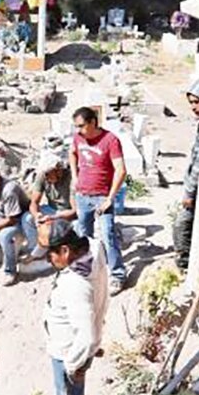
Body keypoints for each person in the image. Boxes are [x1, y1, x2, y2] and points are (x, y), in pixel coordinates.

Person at [39, 220, 108, 395]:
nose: (48, 259)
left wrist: (73, 364)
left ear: (66, 251)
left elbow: (86, 335)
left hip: (69, 351)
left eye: (51, 253)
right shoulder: (93, 250)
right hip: (76, 346)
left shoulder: (76, 284)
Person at [68, 107, 127, 295]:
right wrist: (75, 177)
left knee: (108, 236)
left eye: (81, 126)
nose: (78, 130)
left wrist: (110, 198)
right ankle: (85, 269)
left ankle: (117, 275)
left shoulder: (110, 141)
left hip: (102, 197)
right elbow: (72, 153)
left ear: (93, 122)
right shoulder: (78, 138)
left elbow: (121, 170)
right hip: (83, 196)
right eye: (76, 126)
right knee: (83, 235)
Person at [173, 77, 199, 270]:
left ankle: (185, 264)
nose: (193, 107)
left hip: (197, 192)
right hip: (195, 191)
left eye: (197, 102)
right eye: (191, 103)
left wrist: (189, 191)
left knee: (181, 225)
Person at [21, 151, 76, 260]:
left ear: (58, 170)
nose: (46, 177)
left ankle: (47, 252)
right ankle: (35, 250)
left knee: (59, 227)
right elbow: (34, 202)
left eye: (48, 174)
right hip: (51, 209)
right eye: (45, 174)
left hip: (67, 212)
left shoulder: (71, 179)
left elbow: (74, 211)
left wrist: (54, 217)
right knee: (27, 218)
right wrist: (37, 215)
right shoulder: (42, 176)